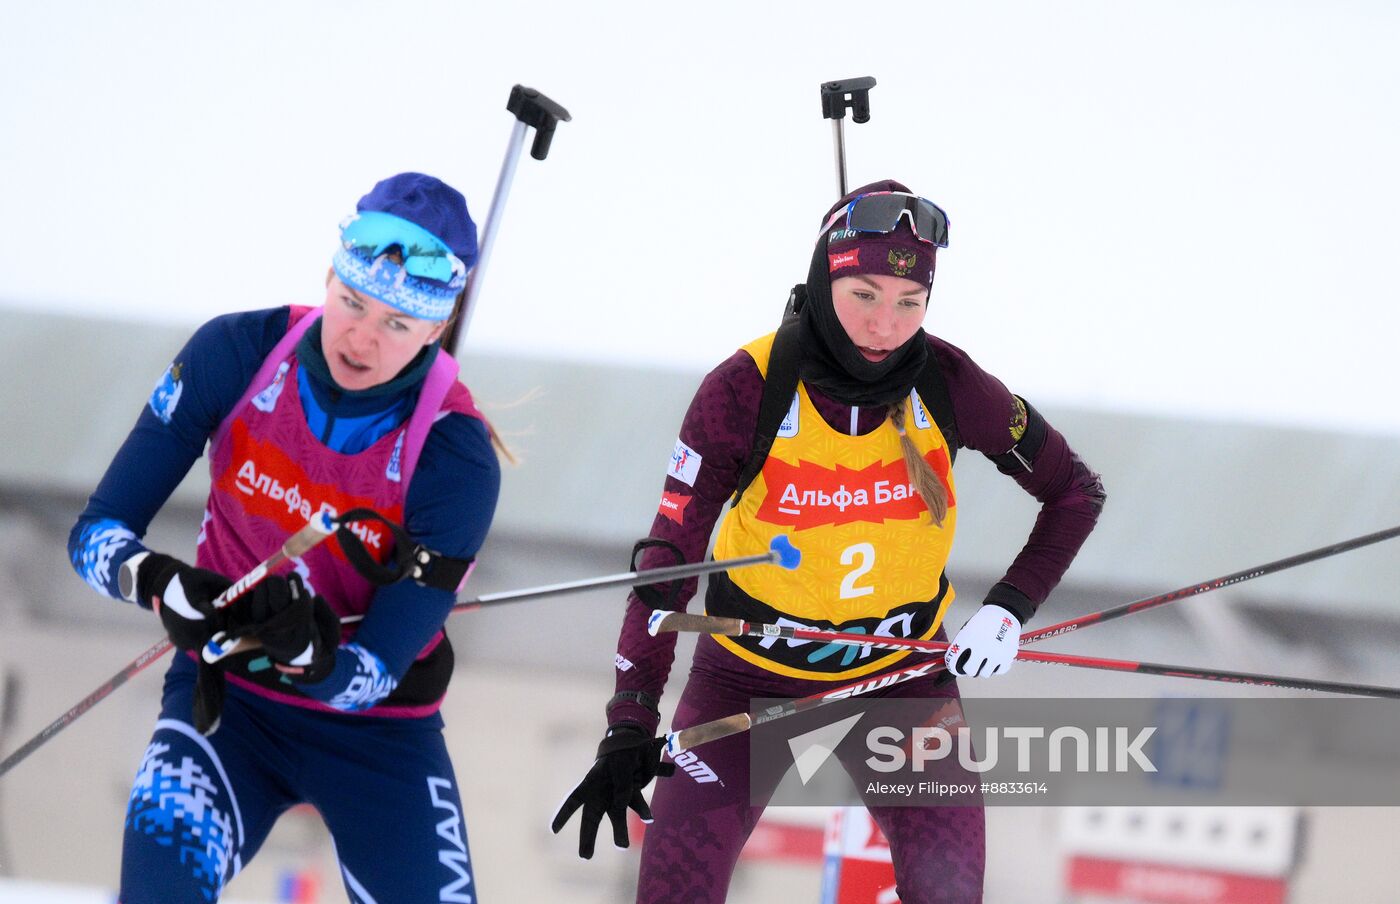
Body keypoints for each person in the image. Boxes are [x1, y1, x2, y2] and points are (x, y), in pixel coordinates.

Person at [552, 180, 1106, 902]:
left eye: (911, 303)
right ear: (824, 278)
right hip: (747, 681)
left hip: (902, 678)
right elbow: (667, 567)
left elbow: (1075, 492)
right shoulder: (746, 388)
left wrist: (1007, 609)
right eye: (865, 295)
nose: (886, 324)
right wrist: (630, 719)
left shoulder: (952, 384)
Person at [68, 173, 501, 902]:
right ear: (329, 277)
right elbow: (94, 536)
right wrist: (160, 582)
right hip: (227, 703)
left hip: (379, 738)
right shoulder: (237, 353)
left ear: (437, 328)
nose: (361, 337)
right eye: (352, 302)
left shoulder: (453, 458)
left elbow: (372, 676)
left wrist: (312, 653)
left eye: (397, 323)